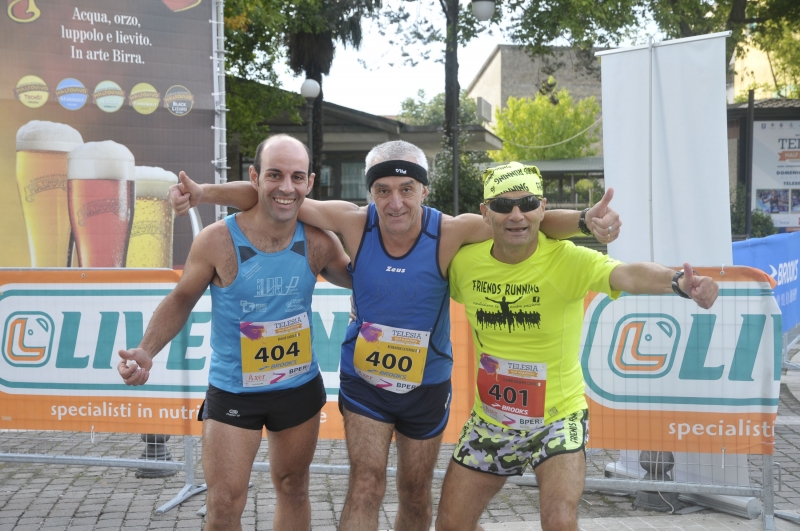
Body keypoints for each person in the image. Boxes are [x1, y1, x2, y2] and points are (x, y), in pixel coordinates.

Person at [171, 141, 621, 531]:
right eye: (383, 190)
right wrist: (205, 192)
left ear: (424, 190)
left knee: (415, 492)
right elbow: (273, 196)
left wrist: (585, 220)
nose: (396, 202)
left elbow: (522, 218)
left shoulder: (450, 230)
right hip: (365, 383)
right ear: (371, 193)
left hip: (426, 385)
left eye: (407, 189)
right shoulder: (353, 222)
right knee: (366, 484)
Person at [436, 162, 719, 531]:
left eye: (528, 203)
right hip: (492, 420)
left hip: (558, 419)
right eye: (503, 206)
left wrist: (678, 281)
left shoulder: (567, 259)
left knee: (559, 520)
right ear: (485, 212)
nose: (516, 215)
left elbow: (628, 274)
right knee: (450, 525)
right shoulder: (465, 263)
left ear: (542, 208)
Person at [116, 135, 351, 531]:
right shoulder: (217, 240)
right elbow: (181, 298)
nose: (286, 187)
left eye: (297, 177)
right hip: (234, 391)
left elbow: (363, 279)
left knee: (294, 488)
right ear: (255, 177)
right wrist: (145, 350)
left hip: (297, 388)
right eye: (274, 175)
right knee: (224, 505)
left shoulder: (319, 241)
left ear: (310, 182)